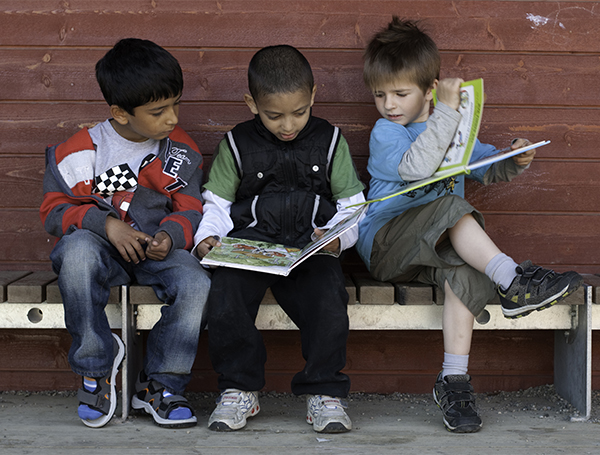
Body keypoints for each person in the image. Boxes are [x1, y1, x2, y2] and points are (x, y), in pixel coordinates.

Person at [357, 17, 583, 433]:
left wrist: (513, 158)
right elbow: (417, 169)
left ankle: (453, 379)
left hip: (430, 247)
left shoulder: (452, 125)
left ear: (429, 88)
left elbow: (482, 167)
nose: (389, 104)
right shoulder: (386, 133)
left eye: (400, 93)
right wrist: (445, 110)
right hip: (386, 246)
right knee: (451, 203)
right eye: (380, 94)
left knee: (464, 270)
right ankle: (514, 281)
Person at [193, 45, 366, 433]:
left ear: (313, 96)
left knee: (328, 299)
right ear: (251, 103)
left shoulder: (330, 140)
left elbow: (353, 204)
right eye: (274, 116)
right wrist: (208, 238)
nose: (288, 125)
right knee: (226, 294)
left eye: (299, 112)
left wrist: (338, 239)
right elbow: (217, 203)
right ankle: (239, 388)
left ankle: (323, 391)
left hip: (309, 246)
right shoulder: (236, 144)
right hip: (253, 245)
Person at [40, 38, 211, 429]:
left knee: (196, 283)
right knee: (76, 254)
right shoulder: (80, 152)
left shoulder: (179, 150)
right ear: (119, 112)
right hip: (99, 248)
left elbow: (190, 209)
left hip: (156, 253)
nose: (171, 118)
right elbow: (53, 212)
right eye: (158, 111)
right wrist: (106, 225)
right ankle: (95, 368)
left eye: (175, 104)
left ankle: (160, 385)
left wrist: (170, 234)